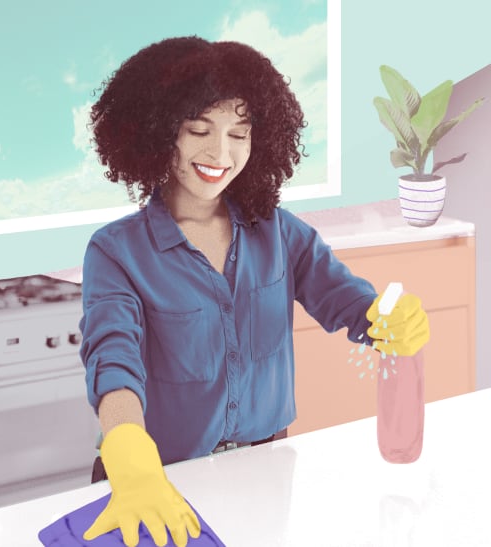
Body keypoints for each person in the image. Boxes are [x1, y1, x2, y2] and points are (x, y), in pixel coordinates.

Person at [77, 36, 430, 547]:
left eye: (238, 134)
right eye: (199, 130)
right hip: (157, 480)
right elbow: (113, 360)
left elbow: (350, 304)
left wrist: (389, 315)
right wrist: (128, 452)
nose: (219, 152)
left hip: (265, 471)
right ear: (158, 133)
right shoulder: (116, 252)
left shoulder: (279, 232)